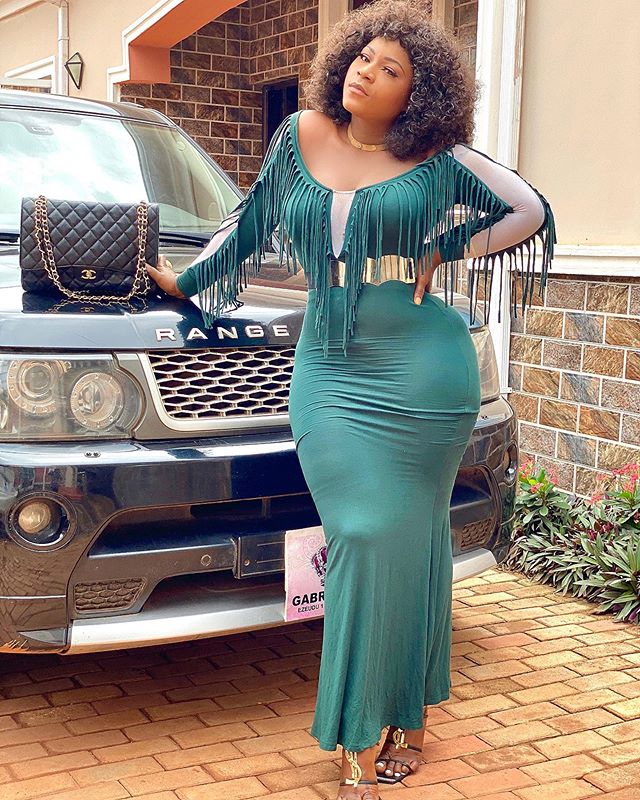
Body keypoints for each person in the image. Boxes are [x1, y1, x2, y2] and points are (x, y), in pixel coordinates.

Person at [146, 1, 556, 796]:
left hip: (424, 370)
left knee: (416, 541)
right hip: (331, 373)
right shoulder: (299, 135)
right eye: (364, 56)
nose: (368, 70)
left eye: (390, 68)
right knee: (363, 534)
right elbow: (250, 225)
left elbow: (529, 211)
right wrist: (185, 282)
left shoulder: (437, 158)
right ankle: (364, 720)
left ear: (418, 94)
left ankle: (406, 717)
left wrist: (445, 247)